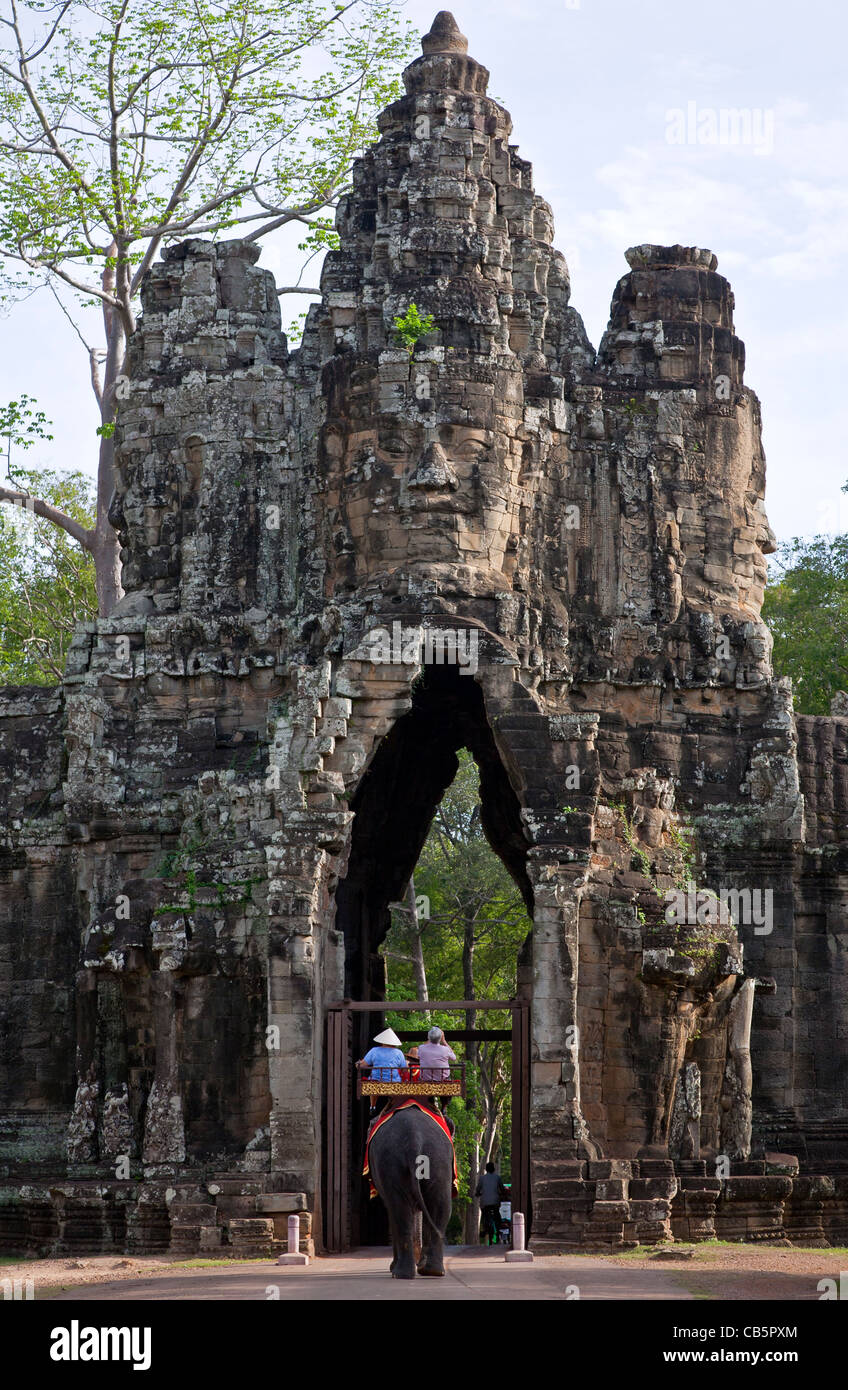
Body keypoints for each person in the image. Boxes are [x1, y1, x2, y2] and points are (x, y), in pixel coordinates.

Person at [360, 1028, 406, 1117]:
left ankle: (372, 1106)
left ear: (382, 1041)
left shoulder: (374, 1050)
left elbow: (362, 1065)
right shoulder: (398, 1053)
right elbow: (404, 1069)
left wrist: (358, 1063)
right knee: (396, 1087)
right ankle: (393, 1105)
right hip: (393, 1081)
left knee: (373, 1084)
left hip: (376, 1080)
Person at [476, 1162, 509, 1246]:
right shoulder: (497, 1178)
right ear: (493, 1169)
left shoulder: (482, 1178)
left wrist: (477, 1193)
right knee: (497, 1214)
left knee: (484, 1214)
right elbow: (502, 1188)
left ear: (486, 1170)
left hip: (485, 1202)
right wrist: (503, 1194)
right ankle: (498, 1231)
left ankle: (485, 1228)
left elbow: (478, 1189)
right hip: (495, 1201)